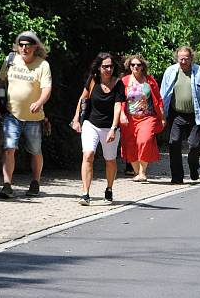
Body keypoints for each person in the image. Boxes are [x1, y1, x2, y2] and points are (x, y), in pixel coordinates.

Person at [0, 31, 52, 199]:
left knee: (35, 150)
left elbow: (47, 89)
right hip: (12, 114)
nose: (24, 48)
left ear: (35, 47)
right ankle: (7, 185)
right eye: (21, 45)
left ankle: (35, 182)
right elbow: (0, 82)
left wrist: (39, 102)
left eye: (28, 45)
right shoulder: (10, 60)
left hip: (34, 118)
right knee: (9, 148)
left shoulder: (43, 65)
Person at [71, 53, 124, 205]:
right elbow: (83, 99)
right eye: (105, 66)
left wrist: (114, 128)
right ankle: (85, 194)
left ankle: (109, 188)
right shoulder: (93, 80)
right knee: (88, 155)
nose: (108, 69)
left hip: (109, 127)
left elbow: (118, 106)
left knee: (110, 160)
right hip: (91, 124)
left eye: (111, 66)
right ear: (99, 67)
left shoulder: (118, 84)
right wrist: (76, 119)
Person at [160, 46, 200, 184]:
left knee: (195, 146)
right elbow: (162, 94)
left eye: (186, 58)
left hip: (195, 115)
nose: (183, 61)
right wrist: (162, 115)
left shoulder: (199, 72)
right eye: (181, 58)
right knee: (174, 144)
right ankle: (177, 177)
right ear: (177, 58)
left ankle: (193, 166)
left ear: (191, 58)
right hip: (176, 114)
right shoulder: (170, 71)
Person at [119, 55, 165, 183]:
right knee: (130, 144)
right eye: (133, 65)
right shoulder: (125, 81)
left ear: (143, 66)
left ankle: (143, 172)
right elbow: (119, 100)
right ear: (129, 66)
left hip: (147, 118)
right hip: (129, 118)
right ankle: (136, 172)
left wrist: (162, 117)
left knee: (144, 141)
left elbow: (158, 100)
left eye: (138, 65)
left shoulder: (149, 81)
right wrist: (121, 115)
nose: (135, 67)